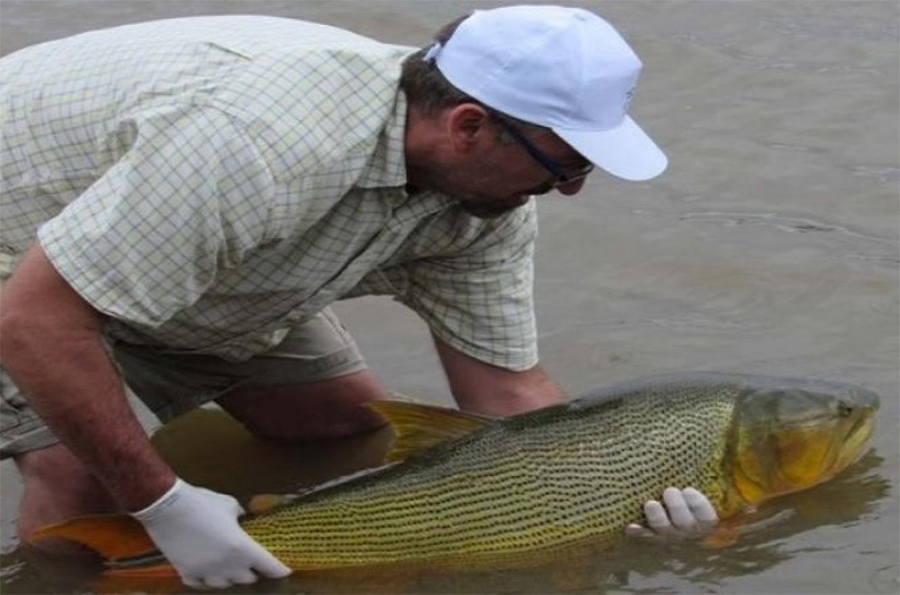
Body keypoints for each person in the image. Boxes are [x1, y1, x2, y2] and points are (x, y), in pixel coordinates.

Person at [0, 5, 717, 590]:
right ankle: (68, 577)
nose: (570, 189)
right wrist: (164, 504)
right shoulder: (266, 143)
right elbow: (35, 320)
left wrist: (621, 496)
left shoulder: (486, 207)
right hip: (24, 249)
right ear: (468, 124)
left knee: (344, 426)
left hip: (197, 243)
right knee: (85, 474)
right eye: (563, 163)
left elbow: (506, 392)